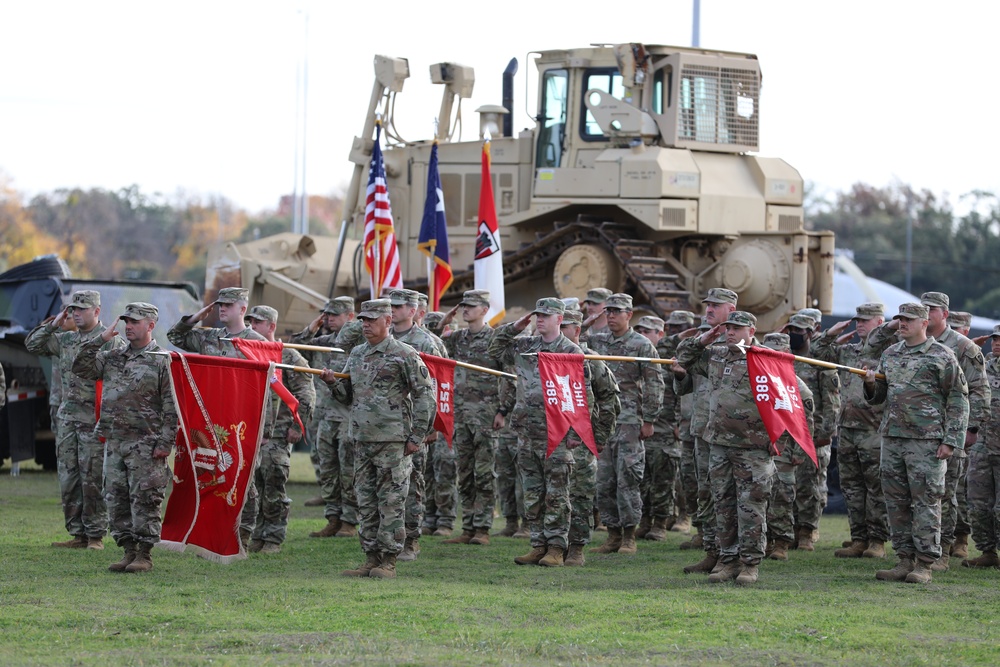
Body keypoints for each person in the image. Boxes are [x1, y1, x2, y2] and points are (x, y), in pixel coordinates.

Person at [489, 297, 615, 567]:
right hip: (528, 431)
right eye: (537, 315)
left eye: (546, 315)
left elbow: (584, 397)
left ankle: (557, 548)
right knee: (533, 493)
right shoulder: (526, 345)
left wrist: (577, 433)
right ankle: (538, 544)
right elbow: (494, 348)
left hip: (557, 435)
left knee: (557, 495)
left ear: (560, 319)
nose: (540, 319)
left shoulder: (571, 351)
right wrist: (515, 325)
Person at [866, 292, 988, 568]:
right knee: (896, 503)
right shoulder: (890, 354)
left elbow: (959, 398)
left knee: (927, 503)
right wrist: (872, 385)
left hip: (927, 441)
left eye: (908, 319)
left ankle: (925, 563)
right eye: (899, 319)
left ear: (923, 322)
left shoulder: (942, 355)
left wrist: (952, 440)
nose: (901, 324)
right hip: (893, 438)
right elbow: (880, 397)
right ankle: (904, 560)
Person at [323, 299, 435, 579]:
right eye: (363, 320)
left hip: (393, 441)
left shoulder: (404, 354)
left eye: (372, 320)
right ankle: (370, 557)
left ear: (388, 321)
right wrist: (332, 384)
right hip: (362, 440)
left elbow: (425, 395)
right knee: (366, 501)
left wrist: (417, 436)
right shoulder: (358, 354)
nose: (366, 325)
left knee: (391, 501)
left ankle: (389, 560)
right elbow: (348, 396)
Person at [72, 302, 177, 572]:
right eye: (126, 321)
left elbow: (171, 406)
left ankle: (144, 554)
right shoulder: (113, 357)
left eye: (135, 322)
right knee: (116, 498)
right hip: (115, 441)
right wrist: (102, 338)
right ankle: (128, 551)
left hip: (146, 444)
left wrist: (165, 443)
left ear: (150, 325)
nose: (128, 326)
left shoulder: (161, 360)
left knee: (144, 499)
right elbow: (81, 367)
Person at [673, 310, 776, 586]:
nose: (730, 332)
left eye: (737, 328)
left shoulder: (766, 358)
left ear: (751, 332)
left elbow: (797, 398)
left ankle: (750, 564)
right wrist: (703, 339)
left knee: (750, 507)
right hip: (719, 444)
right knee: (724, 505)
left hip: (752, 448)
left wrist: (780, 440)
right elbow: (683, 359)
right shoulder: (717, 355)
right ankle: (727, 560)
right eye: (727, 327)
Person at [26, 290, 120, 550]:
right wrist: (54, 324)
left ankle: (95, 535)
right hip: (68, 418)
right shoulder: (65, 340)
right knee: (69, 477)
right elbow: (32, 344)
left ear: (97, 311)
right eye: (72, 309)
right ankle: (77, 534)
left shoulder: (111, 341)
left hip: (94, 419)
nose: (75, 314)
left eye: (81, 309)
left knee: (92, 477)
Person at [587, 294, 664, 555]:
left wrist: (650, 419)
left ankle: (629, 536)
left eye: (616, 312)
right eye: (607, 311)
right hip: (602, 421)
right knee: (604, 480)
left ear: (629, 315)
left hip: (631, 422)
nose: (610, 316)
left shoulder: (642, 345)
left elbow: (654, 382)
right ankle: (612, 535)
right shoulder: (597, 341)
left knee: (628, 478)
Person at [814, 303, 890, 559]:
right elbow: (817, 353)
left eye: (865, 321)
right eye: (857, 320)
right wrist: (831, 333)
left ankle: (877, 540)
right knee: (852, 488)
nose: (860, 325)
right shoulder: (849, 351)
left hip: (874, 430)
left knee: (876, 488)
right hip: (847, 430)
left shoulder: (890, 353)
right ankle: (859, 538)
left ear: (879, 322)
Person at [433, 290, 502, 546]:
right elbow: (433, 343)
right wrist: (444, 321)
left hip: (486, 417)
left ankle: (483, 528)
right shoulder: (458, 338)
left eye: (471, 306)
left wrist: (503, 411)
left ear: (484, 310)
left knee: (484, 474)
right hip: (460, 416)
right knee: (465, 473)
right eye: (463, 306)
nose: (465, 310)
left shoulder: (495, 339)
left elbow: (508, 377)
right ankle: (468, 527)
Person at [245, 305, 316, 554]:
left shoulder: (289, 356)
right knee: (254, 487)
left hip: (278, 433)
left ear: (271, 326)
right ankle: (257, 533)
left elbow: (306, 393)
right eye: (250, 322)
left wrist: (298, 425)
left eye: (258, 323)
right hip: (251, 433)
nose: (252, 327)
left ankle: (273, 537)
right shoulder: (246, 353)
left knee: (273, 483)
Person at [678, 289, 738, 574]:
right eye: (708, 306)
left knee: (732, 497)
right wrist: (704, 338)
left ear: (732, 308)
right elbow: (683, 358)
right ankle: (713, 552)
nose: (709, 310)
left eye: (716, 306)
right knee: (708, 494)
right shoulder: (710, 349)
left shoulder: (746, 344)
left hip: (737, 436)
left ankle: (735, 556)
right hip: (705, 429)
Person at [291, 296, 360, 538]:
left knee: (348, 472)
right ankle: (333, 518)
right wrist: (311, 328)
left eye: (335, 314)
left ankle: (350, 521)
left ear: (350, 316)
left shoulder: (358, 344)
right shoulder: (324, 342)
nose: (329, 318)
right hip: (326, 419)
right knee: (328, 469)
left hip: (349, 417)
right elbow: (295, 349)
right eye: (327, 314)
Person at [388, 288, 447, 560]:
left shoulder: (424, 342)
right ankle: (388, 537)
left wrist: (429, 428)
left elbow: (434, 386)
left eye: (399, 306)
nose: (393, 310)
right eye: (391, 306)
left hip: (414, 425)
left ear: (412, 311)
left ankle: (410, 540)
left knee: (412, 484)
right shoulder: (383, 337)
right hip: (386, 424)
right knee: (386, 485)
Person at [559, 308, 621, 565]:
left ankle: (576, 548)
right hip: (553, 436)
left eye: (566, 328)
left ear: (577, 330)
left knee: (580, 493)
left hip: (582, 439)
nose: (561, 333)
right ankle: (553, 545)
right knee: (553, 494)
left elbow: (609, 399)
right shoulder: (546, 356)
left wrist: (598, 437)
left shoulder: (590, 359)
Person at [783, 313, 841, 551]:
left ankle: (807, 531)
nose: (794, 334)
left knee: (810, 485)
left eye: (799, 330)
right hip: (788, 434)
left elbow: (832, 402)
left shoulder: (820, 362)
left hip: (813, 434)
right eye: (791, 330)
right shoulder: (785, 359)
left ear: (811, 333)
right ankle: (790, 530)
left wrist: (826, 433)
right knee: (787, 485)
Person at [760, 332, 815, 561]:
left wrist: (800, 451)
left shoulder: (797, 387)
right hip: (761, 447)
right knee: (761, 495)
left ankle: (782, 541)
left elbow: (806, 422)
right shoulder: (758, 378)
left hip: (785, 450)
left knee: (782, 496)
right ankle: (764, 540)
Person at [634, 316, 680, 541]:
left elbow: (684, 392)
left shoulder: (669, 363)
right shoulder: (635, 360)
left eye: (648, 331)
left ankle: (661, 523)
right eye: (640, 330)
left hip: (665, 431)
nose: (643, 334)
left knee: (663, 481)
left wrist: (680, 423)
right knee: (642, 480)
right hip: (641, 432)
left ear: (660, 335)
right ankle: (644, 520)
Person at [964, 324, 1000, 567]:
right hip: (981, 447)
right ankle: (987, 552)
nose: (996, 343)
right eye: (995, 339)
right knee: (978, 503)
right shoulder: (982, 366)